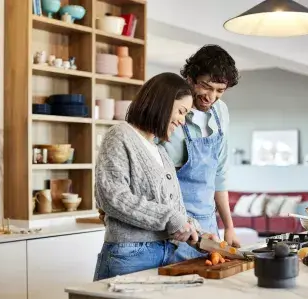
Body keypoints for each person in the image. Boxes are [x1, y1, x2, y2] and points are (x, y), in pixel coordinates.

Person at [93, 72, 210, 281]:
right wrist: (172, 219)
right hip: (130, 255)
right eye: (181, 112)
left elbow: (175, 208)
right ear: (163, 104)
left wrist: (195, 230)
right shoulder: (120, 135)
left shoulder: (162, 153)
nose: (183, 121)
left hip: (167, 253)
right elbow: (112, 198)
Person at [161, 44, 241, 262]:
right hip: (174, 228)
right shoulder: (169, 112)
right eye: (206, 87)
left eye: (220, 91)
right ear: (189, 78)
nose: (211, 97)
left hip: (208, 225)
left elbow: (219, 173)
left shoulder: (220, 111)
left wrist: (229, 227)